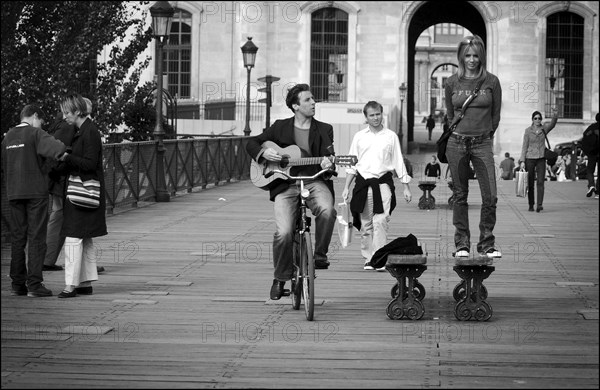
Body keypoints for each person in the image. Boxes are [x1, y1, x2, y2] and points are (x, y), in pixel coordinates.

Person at [245, 84, 336, 300]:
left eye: (313, 99)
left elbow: (331, 162)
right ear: (295, 106)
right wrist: (264, 152)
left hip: (313, 181)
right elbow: (251, 143)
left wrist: (328, 163)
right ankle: (280, 278)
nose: (313, 103)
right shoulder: (280, 127)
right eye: (307, 100)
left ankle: (320, 255)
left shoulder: (324, 129)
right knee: (284, 232)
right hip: (285, 184)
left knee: (327, 210)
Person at [444, 35, 502, 259]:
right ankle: (462, 243)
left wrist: (485, 135)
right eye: (467, 55)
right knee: (460, 195)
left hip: (482, 143)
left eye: (475, 55)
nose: (471, 59)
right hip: (456, 143)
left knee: (491, 196)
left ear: (482, 56)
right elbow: (450, 114)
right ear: (461, 57)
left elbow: (495, 116)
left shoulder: (492, 82)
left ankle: (486, 243)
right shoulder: (451, 82)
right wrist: (461, 132)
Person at [1, 104, 67, 297]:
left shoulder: (8, 137)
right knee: (36, 237)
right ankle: (35, 284)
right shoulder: (35, 134)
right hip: (36, 191)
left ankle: (17, 284)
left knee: (17, 238)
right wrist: (46, 167)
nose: (41, 125)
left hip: (13, 192)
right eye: (41, 122)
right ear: (35, 116)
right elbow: (59, 149)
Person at [342, 101, 412, 271]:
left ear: (382, 114)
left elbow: (398, 161)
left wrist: (406, 186)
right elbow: (352, 163)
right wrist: (346, 187)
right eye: (372, 115)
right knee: (366, 223)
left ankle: (379, 258)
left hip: (383, 183)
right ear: (366, 117)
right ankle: (368, 258)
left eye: (378, 114)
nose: (375, 118)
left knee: (380, 220)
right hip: (363, 183)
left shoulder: (391, 136)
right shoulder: (359, 137)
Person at [53, 94, 107, 298]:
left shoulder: (89, 132)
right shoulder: (87, 130)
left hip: (81, 192)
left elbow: (89, 164)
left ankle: (70, 285)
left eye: (67, 112)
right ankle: (84, 282)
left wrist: (67, 157)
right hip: (87, 193)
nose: (64, 116)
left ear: (77, 112)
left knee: (73, 238)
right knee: (84, 238)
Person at [43, 111, 76, 271]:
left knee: (58, 215)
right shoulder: (67, 127)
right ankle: (47, 259)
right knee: (60, 216)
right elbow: (59, 152)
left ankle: (48, 259)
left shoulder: (59, 125)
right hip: (60, 179)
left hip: (56, 178)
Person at [519, 108, 559, 212]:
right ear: (532, 119)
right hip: (530, 159)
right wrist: (522, 161)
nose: (537, 120)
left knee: (541, 182)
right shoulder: (528, 131)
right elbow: (524, 146)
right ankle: (531, 204)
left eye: (539, 118)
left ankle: (539, 204)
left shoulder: (544, 129)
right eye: (535, 118)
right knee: (530, 182)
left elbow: (552, 125)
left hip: (541, 158)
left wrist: (555, 115)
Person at [581, 113, 599, 198]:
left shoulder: (592, 127)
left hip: (592, 153)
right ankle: (598, 192)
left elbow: (584, 137)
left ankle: (591, 185)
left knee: (590, 170)